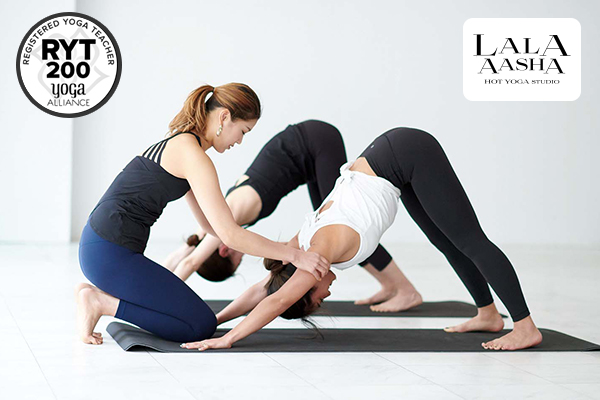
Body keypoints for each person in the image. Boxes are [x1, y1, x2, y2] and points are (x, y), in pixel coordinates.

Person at [181, 127, 543, 352]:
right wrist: (218, 319)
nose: (326, 297)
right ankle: (488, 314)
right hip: (392, 163)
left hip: (404, 153)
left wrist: (228, 337)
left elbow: (276, 300)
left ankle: (525, 326)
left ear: (306, 287)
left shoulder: (316, 255)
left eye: (316, 300)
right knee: (449, 242)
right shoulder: (296, 252)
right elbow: (265, 288)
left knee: (470, 240)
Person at [75, 83, 329, 345]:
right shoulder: (193, 155)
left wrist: (282, 247)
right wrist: (294, 255)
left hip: (104, 247)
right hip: (109, 253)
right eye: (243, 131)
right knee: (199, 326)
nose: (239, 141)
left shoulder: (184, 143)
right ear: (224, 117)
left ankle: (98, 297)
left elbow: (210, 227)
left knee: (198, 320)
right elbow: (229, 234)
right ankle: (100, 302)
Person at [163, 120, 422, 312]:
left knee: (345, 228)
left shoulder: (231, 216)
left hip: (315, 142)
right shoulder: (214, 223)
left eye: (237, 260)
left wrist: (160, 302)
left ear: (223, 250)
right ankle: (391, 285)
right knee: (335, 233)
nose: (243, 255)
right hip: (307, 156)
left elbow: (191, 263)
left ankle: (405, 290)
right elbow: (185, 253)